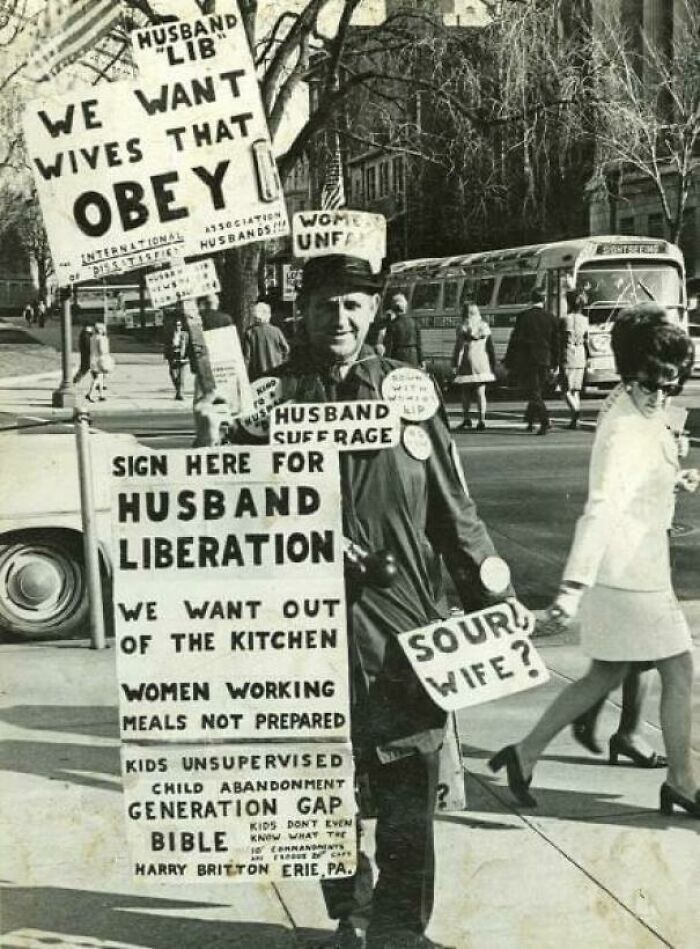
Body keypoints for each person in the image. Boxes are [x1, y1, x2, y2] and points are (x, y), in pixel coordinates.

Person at [196, 253, 529, 949]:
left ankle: (401, 928)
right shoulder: (268, 399)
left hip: (401, 622)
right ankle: (352, 907)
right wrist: (211, 435)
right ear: (303, 312)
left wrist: (491, 589)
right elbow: (221, 512)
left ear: (374, 311)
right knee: (319, 783)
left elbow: (451, 506)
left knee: (409, 783)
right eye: (325, 305)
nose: (339, 318)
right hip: (302, 627)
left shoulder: (407, 391)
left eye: (353, 304)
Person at [490, 304, 699, 818]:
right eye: (654, 383)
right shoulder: (625, 424)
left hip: (632, 570)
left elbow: (637, 479)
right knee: (679, 672)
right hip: (629, 574)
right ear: (634, 373)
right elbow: (602, 505)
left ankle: (525, 752)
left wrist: (674, 478)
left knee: (603, 674)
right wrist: (571, 587)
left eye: (671, 384)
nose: (663, 394)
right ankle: (683, 782)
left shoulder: (632, 406)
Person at [504, 286, 559, 435]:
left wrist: (509, 359)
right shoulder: (551, 318)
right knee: (537, 390)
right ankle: (529, 419)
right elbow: (556, 343)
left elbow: (515, 339)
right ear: (544, 299)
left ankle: (544, 420)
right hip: (545, 358)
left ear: (531, 299)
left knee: (533, 391)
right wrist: (556, 363)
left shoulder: (523, 317)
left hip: (527, 359)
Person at [452, 301, 495, 432]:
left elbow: (459, 348)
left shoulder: (462, 327)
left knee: (465, 391)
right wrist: (492, 362)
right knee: (481, 392)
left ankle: (466, 418)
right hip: (482, 360)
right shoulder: (484, 326)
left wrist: (455, 363)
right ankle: (482, 419)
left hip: (467, 360)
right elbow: (490, 347)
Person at [558, 290, 589, 429]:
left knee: (565, 390)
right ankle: (574, 420)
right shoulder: (585, 320)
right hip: (581, 354)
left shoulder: (565, 319)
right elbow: (587, 339)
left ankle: (575, 412)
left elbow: (559, 339)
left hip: (568, 354)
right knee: (576, 390)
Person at [242, 300, 290, 380]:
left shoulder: (249, 332)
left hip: (258, 375)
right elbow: (286, 349)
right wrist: (280, 360)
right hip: (276, 372)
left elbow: (247, 357)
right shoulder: (276, 331)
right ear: (268, 315)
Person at [383, 292, 422, 366]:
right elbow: (419, 344)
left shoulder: (392, 324)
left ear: (393, 308)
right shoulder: (414, 322)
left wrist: (386, 361)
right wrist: (421, 360)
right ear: (405, 307)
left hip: (397, 357)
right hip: (413, 357)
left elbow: (388, 345)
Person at [164, 315, 189, 401]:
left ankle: (180, 393)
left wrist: (188, 356)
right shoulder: (170, 334)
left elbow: (189, 346)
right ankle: (178, 390)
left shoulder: (185, 334)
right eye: (176, 325)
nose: (178, 327)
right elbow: (166, 346)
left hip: (182, 356)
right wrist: (166, 355)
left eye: (179, 325)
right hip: (172, 355)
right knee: (173, 373)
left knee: (181, 375)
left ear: (181, 326)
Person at [86, 322, 113, 402]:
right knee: (98, 377)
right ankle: (89, 394)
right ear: (100, 330)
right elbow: (102, 350)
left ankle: (101, 395)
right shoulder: (100, 338)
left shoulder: (92, 337)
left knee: (99, 377)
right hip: (99, 359)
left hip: (93, 358)